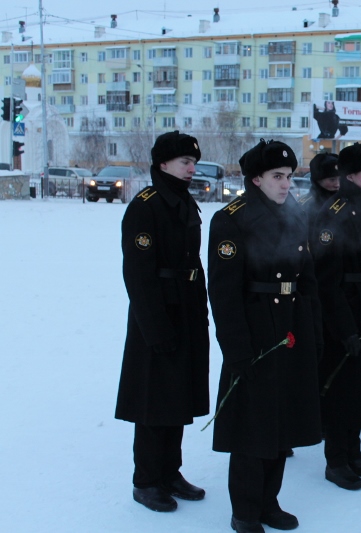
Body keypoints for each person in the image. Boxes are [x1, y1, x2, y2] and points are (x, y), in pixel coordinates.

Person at [207, 140, 322, 533]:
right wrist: (237, 350)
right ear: (256, 179)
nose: (286, 184)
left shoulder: (294, 215)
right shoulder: (231, 219)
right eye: (277, 177)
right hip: (255, 331)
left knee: (282, 421)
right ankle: (245, 510)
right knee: (251, 428)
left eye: (289, 176)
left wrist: (311, 329)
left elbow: (307, 277)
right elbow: (223, 294)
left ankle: (269, 501)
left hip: (291, 326)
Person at [115, 130, 209, 513]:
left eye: (193, 163)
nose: (191, 169)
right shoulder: (147, 205)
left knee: (178, 396)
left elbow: (194, 263)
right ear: (162, 164)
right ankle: (147, 480)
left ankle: (171, 472)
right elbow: (137, 275)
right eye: (185, 162)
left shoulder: (183, 202)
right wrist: (154, 329)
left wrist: (200, 312)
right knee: (155, 401)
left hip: (185, 310)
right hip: (157, 315)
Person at [310, 142, 361, 491]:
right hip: (346, 310)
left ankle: (355, 452)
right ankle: (337, 459)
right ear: (348, 176)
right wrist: (344, 328)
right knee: (343, 388)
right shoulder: (334, 212)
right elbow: (326, 282)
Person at [297, 152, 339, 220]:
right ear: (318, 180)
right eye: (332, 180)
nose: (337, 184)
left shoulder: (346, 200)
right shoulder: (305, 204)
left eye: (340, 179)